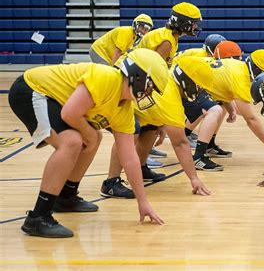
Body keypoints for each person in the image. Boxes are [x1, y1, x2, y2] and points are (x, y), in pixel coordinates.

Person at [8, 48, 169, 238]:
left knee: (93, 137)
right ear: (138, 77)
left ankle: (66, 197)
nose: (149, 94)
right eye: (150, 87)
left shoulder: (124, 110)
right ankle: (38, 217)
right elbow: (69, 113)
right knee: (73, 141)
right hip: (30, 89)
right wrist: (90, 135)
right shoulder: (107, 77)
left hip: (53, 99)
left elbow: (130, 158)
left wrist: (143, 202)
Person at [101, 70, 212, 198]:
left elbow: (156, 105)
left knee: (152, 127)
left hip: (132, 103)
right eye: (197, 86)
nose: (199, 90)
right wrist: (194, 178)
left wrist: (161, 124)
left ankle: (141, 169)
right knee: (130, 131)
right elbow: (180, 143)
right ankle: (111, 182)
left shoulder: (170, 77)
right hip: (116, 104)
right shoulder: (171, 103)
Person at [173, 45, 264, 170]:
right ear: (257, 71)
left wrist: (231, 109)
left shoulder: (237, 66)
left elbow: (221, 87)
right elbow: (250, 119)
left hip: (186, 77)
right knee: (214, 110)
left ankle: (207, 144)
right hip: (184, 81)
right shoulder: (241, 77)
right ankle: (198, 157)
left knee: (218, 106)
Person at [129, 2, 202, 170]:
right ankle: (132, 165)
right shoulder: (167, 40)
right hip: (136, 79)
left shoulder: (170, 36)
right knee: (136, 127)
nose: (196, 26)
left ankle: (141, 164)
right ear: (183, 22)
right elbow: (154, 68)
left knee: (151, 127)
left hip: (138, 77)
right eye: (193, 22)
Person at [171, 34, 227, 149]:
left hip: (182, 75)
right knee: (203, 105)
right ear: (211, 49)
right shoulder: (202, 58)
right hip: (174, 78)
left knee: (216, 104)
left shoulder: (206, 55)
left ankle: (204, 139)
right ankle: (185, 134)